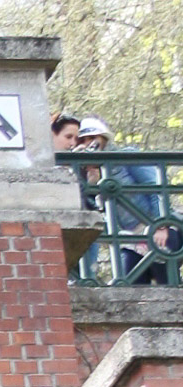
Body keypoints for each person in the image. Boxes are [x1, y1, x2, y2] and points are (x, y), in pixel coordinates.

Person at [75, 115, 176, 284]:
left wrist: (160, 225)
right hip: (129, 239)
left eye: (93, 138)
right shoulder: (88, 170)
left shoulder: (125, 156)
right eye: (83, 140)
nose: (89, 143)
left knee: (168, 283)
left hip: (153, 228)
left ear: (104, 138)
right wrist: (91, 183)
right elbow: (95, 212)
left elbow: (155, 188)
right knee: (131, 289)